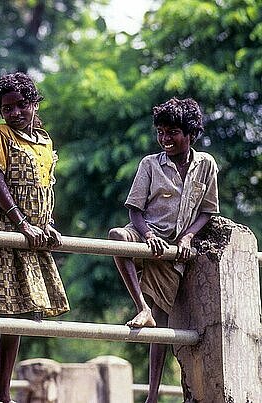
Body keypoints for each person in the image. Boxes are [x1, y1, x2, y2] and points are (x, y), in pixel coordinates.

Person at [0, 73, 70, 403]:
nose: (14, 113)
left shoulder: (44, 140)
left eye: (21, 105)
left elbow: (45, 188)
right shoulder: (0, 134)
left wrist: (46, 222)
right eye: (6, 107)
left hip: (33, 234)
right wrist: (21, 222)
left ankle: (3, 391)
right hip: (3, 229)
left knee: (18, 312)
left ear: (33, 104)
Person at [108, 97, 219, 402]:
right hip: (148, 237)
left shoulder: (206, 165)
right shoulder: (150, 164)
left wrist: (187, 238)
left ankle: (152, 396)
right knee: (117, 236)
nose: (165, 139)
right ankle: (140, 306)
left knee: (163, 324)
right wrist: (147, 235)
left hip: (175, 252)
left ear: (190, 134)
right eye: (161, 133)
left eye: (172, 133)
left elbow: (208, 211)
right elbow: (134, 210)